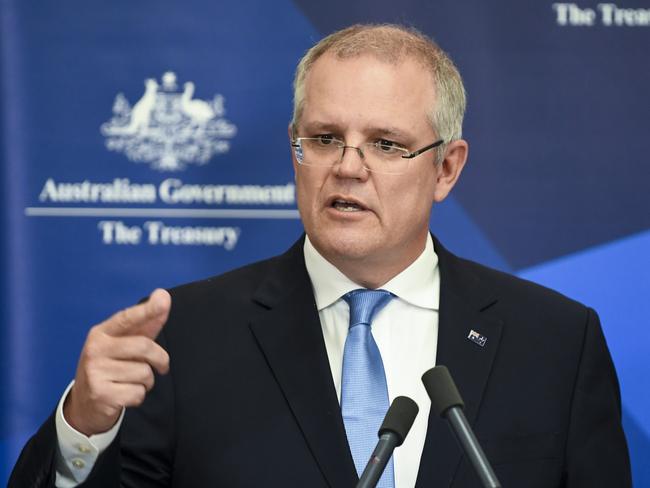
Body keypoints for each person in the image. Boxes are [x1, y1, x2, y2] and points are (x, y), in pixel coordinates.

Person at [9, 24, 631, 488]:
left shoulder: (555, 342)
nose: (347, 168)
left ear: (446, 168)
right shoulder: (182, 336)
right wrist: (84, 429)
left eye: (386, 144)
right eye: (325, 139)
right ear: (295, 150)